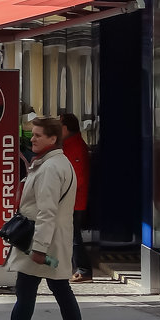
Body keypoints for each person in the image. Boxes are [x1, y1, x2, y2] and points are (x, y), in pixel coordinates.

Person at [0, 116, 87, 320]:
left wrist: (40, 248)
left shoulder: (50, 168)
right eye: (32, 134)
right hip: (48, 240)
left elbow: (47, 211)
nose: (32, 138)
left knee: (33, 290)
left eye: (37, 135)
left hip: (41, 242)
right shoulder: (54, 163)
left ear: (53, 138)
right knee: (52, 289)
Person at [61, 112, 93, 282]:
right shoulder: (69, 144)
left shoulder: (74, 147)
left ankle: (84, 269)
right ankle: (77, 267)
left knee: (73, 237)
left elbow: (76, 178)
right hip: (71, 199)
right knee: (70, 235)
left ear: (65, 128)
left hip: (73, 201)